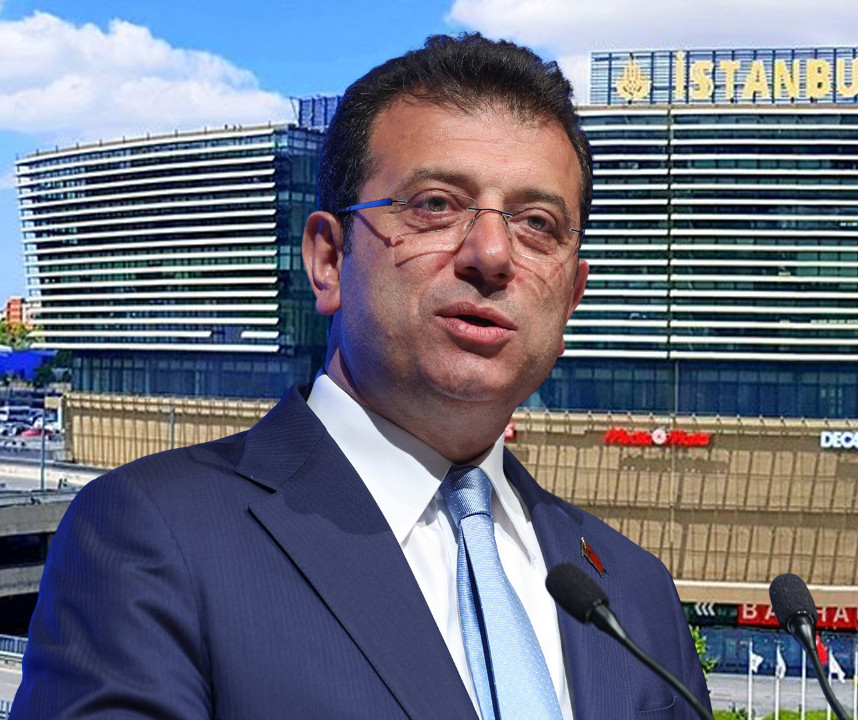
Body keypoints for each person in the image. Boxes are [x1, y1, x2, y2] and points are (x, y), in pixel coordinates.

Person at [13, 33, 711, 719]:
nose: (493, 254)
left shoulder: (635, 591)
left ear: (572, 296)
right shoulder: (152, 535)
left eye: (537, 223)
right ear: (328, 260)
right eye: (436, 204)